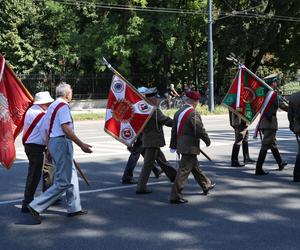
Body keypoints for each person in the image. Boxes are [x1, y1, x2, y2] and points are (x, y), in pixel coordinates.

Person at [27, 82, 93, 224]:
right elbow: (66, 128)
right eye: (71, 92)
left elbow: (46, 128)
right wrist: (81, 144)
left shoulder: (52, 106)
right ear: (67, 94)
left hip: (54, 142)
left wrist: (49, 147)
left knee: (72, 174)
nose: (72, 94)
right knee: (63, 181)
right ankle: (36, 205)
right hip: (62, 141)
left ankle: (74, 207)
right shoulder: (62, 106)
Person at [169, 91, 215, 203]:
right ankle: (175, 196)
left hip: (182, 145)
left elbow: (174, 131)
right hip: (190, 147)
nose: (197, 103)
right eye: (198, 101)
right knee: (184, 171)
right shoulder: (193, 113)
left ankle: (206, 185)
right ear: (195, 101)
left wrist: (173, 145)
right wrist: (207, 140)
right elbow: (199, 129)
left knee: (195, 167)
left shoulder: (178, 112)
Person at [136, 87, 177, 194]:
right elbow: (165, 120)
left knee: (162, 161)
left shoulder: (144, 108)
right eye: (156, 98)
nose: (158, 100)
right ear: (152, 98)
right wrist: (178, 124)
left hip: (150, 140)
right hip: (153, 141)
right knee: (148, 165)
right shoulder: (153, 109)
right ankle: (141, 187)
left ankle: (175, 176)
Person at [21, 91, 54, 213]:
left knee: (45, 170)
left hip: (31, 145)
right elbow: (44, 133)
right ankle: (27, 202)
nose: (50, 104)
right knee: (34, 175)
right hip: (36, 147)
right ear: (44, 103)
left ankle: (48, 196)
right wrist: (49, 148)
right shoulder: (41, 114)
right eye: (48, 102)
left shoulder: (31, 110)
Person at [255, 74, 288, 175]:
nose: (276, 83)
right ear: (272, 83)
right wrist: (292, 108)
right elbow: (283, 106)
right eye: (275, 82)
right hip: (270, 123)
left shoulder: (263, 94)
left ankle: (280, 163)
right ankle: (258, 169)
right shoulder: (272, 95)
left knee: (272, 143)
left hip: (264, 122)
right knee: (265, 145)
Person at [287, 91, 300, 182]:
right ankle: (297, 174)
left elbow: (289, 114)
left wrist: (292, 124)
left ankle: (297, 175)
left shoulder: (293, 96)